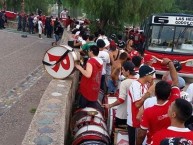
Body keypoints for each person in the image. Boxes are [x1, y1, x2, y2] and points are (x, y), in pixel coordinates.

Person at [136, 58, 180, 145]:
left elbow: (141, 134)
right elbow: (175, 81)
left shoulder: (149, 110)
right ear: (169, 94)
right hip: (170, 142)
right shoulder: (174, 102)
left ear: (155, 93)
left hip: (152, 142)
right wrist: (170, 63)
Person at [104, 61, 138, 127]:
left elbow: (121, 99)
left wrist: (110, 105)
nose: (122, 72)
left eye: (123, 70)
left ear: (128, 71)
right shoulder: (138, 81)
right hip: (133, 115)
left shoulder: (125, 83)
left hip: (122, 115)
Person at [127, 64, 155, 145]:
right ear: (146, 75)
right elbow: (137, 105)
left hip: (141, 122)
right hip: (135, 123)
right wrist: (149, 91)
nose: (152, 77)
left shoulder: (145, 85)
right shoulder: (135, 85)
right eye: (151, 75)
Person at [75, 45, 103, 110]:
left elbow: (88, 75)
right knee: (91, 108)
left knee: (83, 109)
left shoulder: (91, 62)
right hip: (95, 87)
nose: (88, 52)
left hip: (87, 88)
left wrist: (80, 68)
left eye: (89, 51)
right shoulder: (100, 61)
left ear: (91, 52)